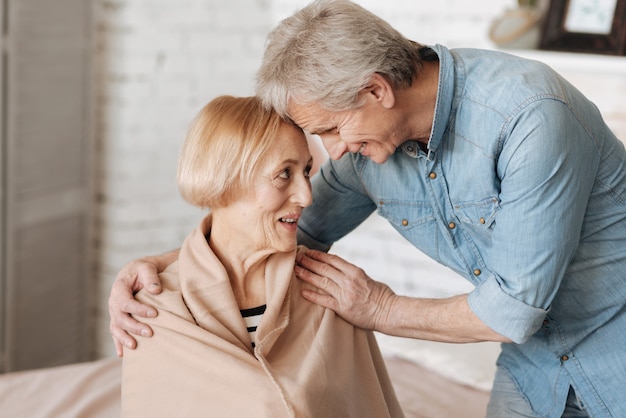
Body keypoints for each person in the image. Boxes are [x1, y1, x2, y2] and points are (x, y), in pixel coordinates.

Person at [110, 1, 626, 417]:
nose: (332, 153)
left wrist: (378, 308)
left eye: (331, 130)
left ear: (376, 89)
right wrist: (163, 269)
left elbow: (514, 308)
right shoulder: (368, 151)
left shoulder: (530, 118)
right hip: (535, 365)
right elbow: (284, 228)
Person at [120, 95, 404, 417]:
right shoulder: (156, 309)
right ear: (224, 179)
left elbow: (366, 404)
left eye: (307, 171)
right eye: (284, 174)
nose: (306, 196)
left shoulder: (331, 289)